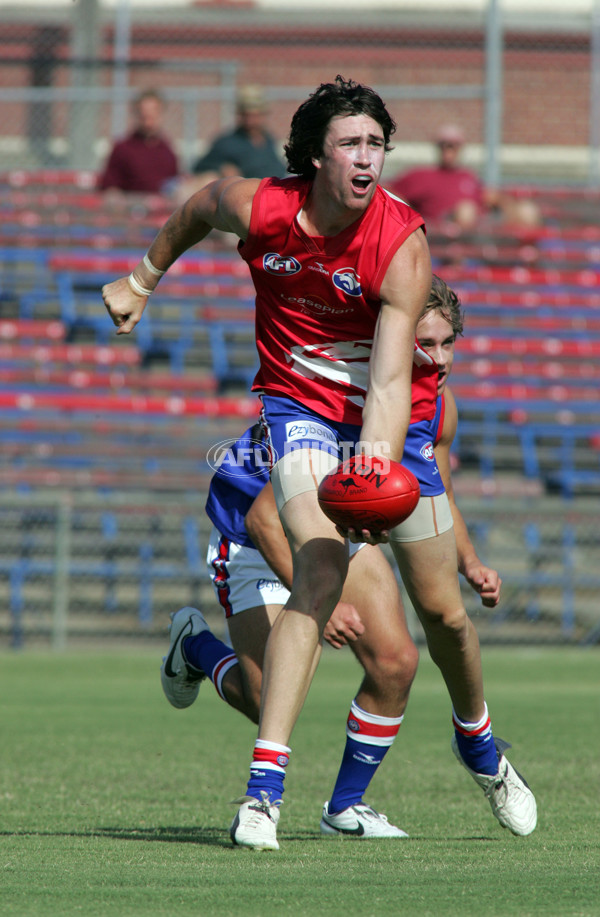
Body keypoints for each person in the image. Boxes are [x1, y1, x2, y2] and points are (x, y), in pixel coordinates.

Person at [101, 75, 536, 851]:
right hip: (297, 412)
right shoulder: (262, 206)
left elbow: (394, 378)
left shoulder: (401, 239)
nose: (367, 157)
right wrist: (142, 278)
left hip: (379, 420)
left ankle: (479, 741)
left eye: (376, 143)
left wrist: (373, 465)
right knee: (320, 566)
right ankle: (264, 794)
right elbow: (200, 206)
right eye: (350, 143)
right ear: (315, 155)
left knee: (444, 618)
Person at [159, 275, 506, 842]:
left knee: (395, 662)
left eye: (448, 344)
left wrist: (468, 560)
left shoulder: (437, 409)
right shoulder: (341, 393)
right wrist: (319, 595)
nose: (438, 359)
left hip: (338, 529)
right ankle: (193, 646)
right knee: (265, 698)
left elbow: (434, 482)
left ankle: (345, 808)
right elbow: (265, 518)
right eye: (425, 343)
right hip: (256, 538)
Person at [388, 123, 540, 232]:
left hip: (479, 228)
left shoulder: (468, 177)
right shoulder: (421, 175)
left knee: (527, 210)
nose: (449, 149)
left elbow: (488, 196)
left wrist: (506, 203)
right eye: (445, 145)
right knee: (466, 211)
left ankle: (529, 262)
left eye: (453, 145)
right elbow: (390, 193)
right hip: (441, 232)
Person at [176, 85, 286, 202]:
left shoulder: (269, 140)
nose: (250, 120)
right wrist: (222, 168)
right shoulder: (227, 142)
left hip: (270, 194)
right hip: (243, 199)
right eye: (246, 115)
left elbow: (278, 168)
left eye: (255, 115)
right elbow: (200, 166)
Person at [97, 89, 179, 195]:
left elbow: (174, 185)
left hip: (162, 210)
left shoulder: (167, 151)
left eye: (153, 115)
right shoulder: (123, 149)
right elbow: (110, 188)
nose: (148, 121)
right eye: (144, 115)